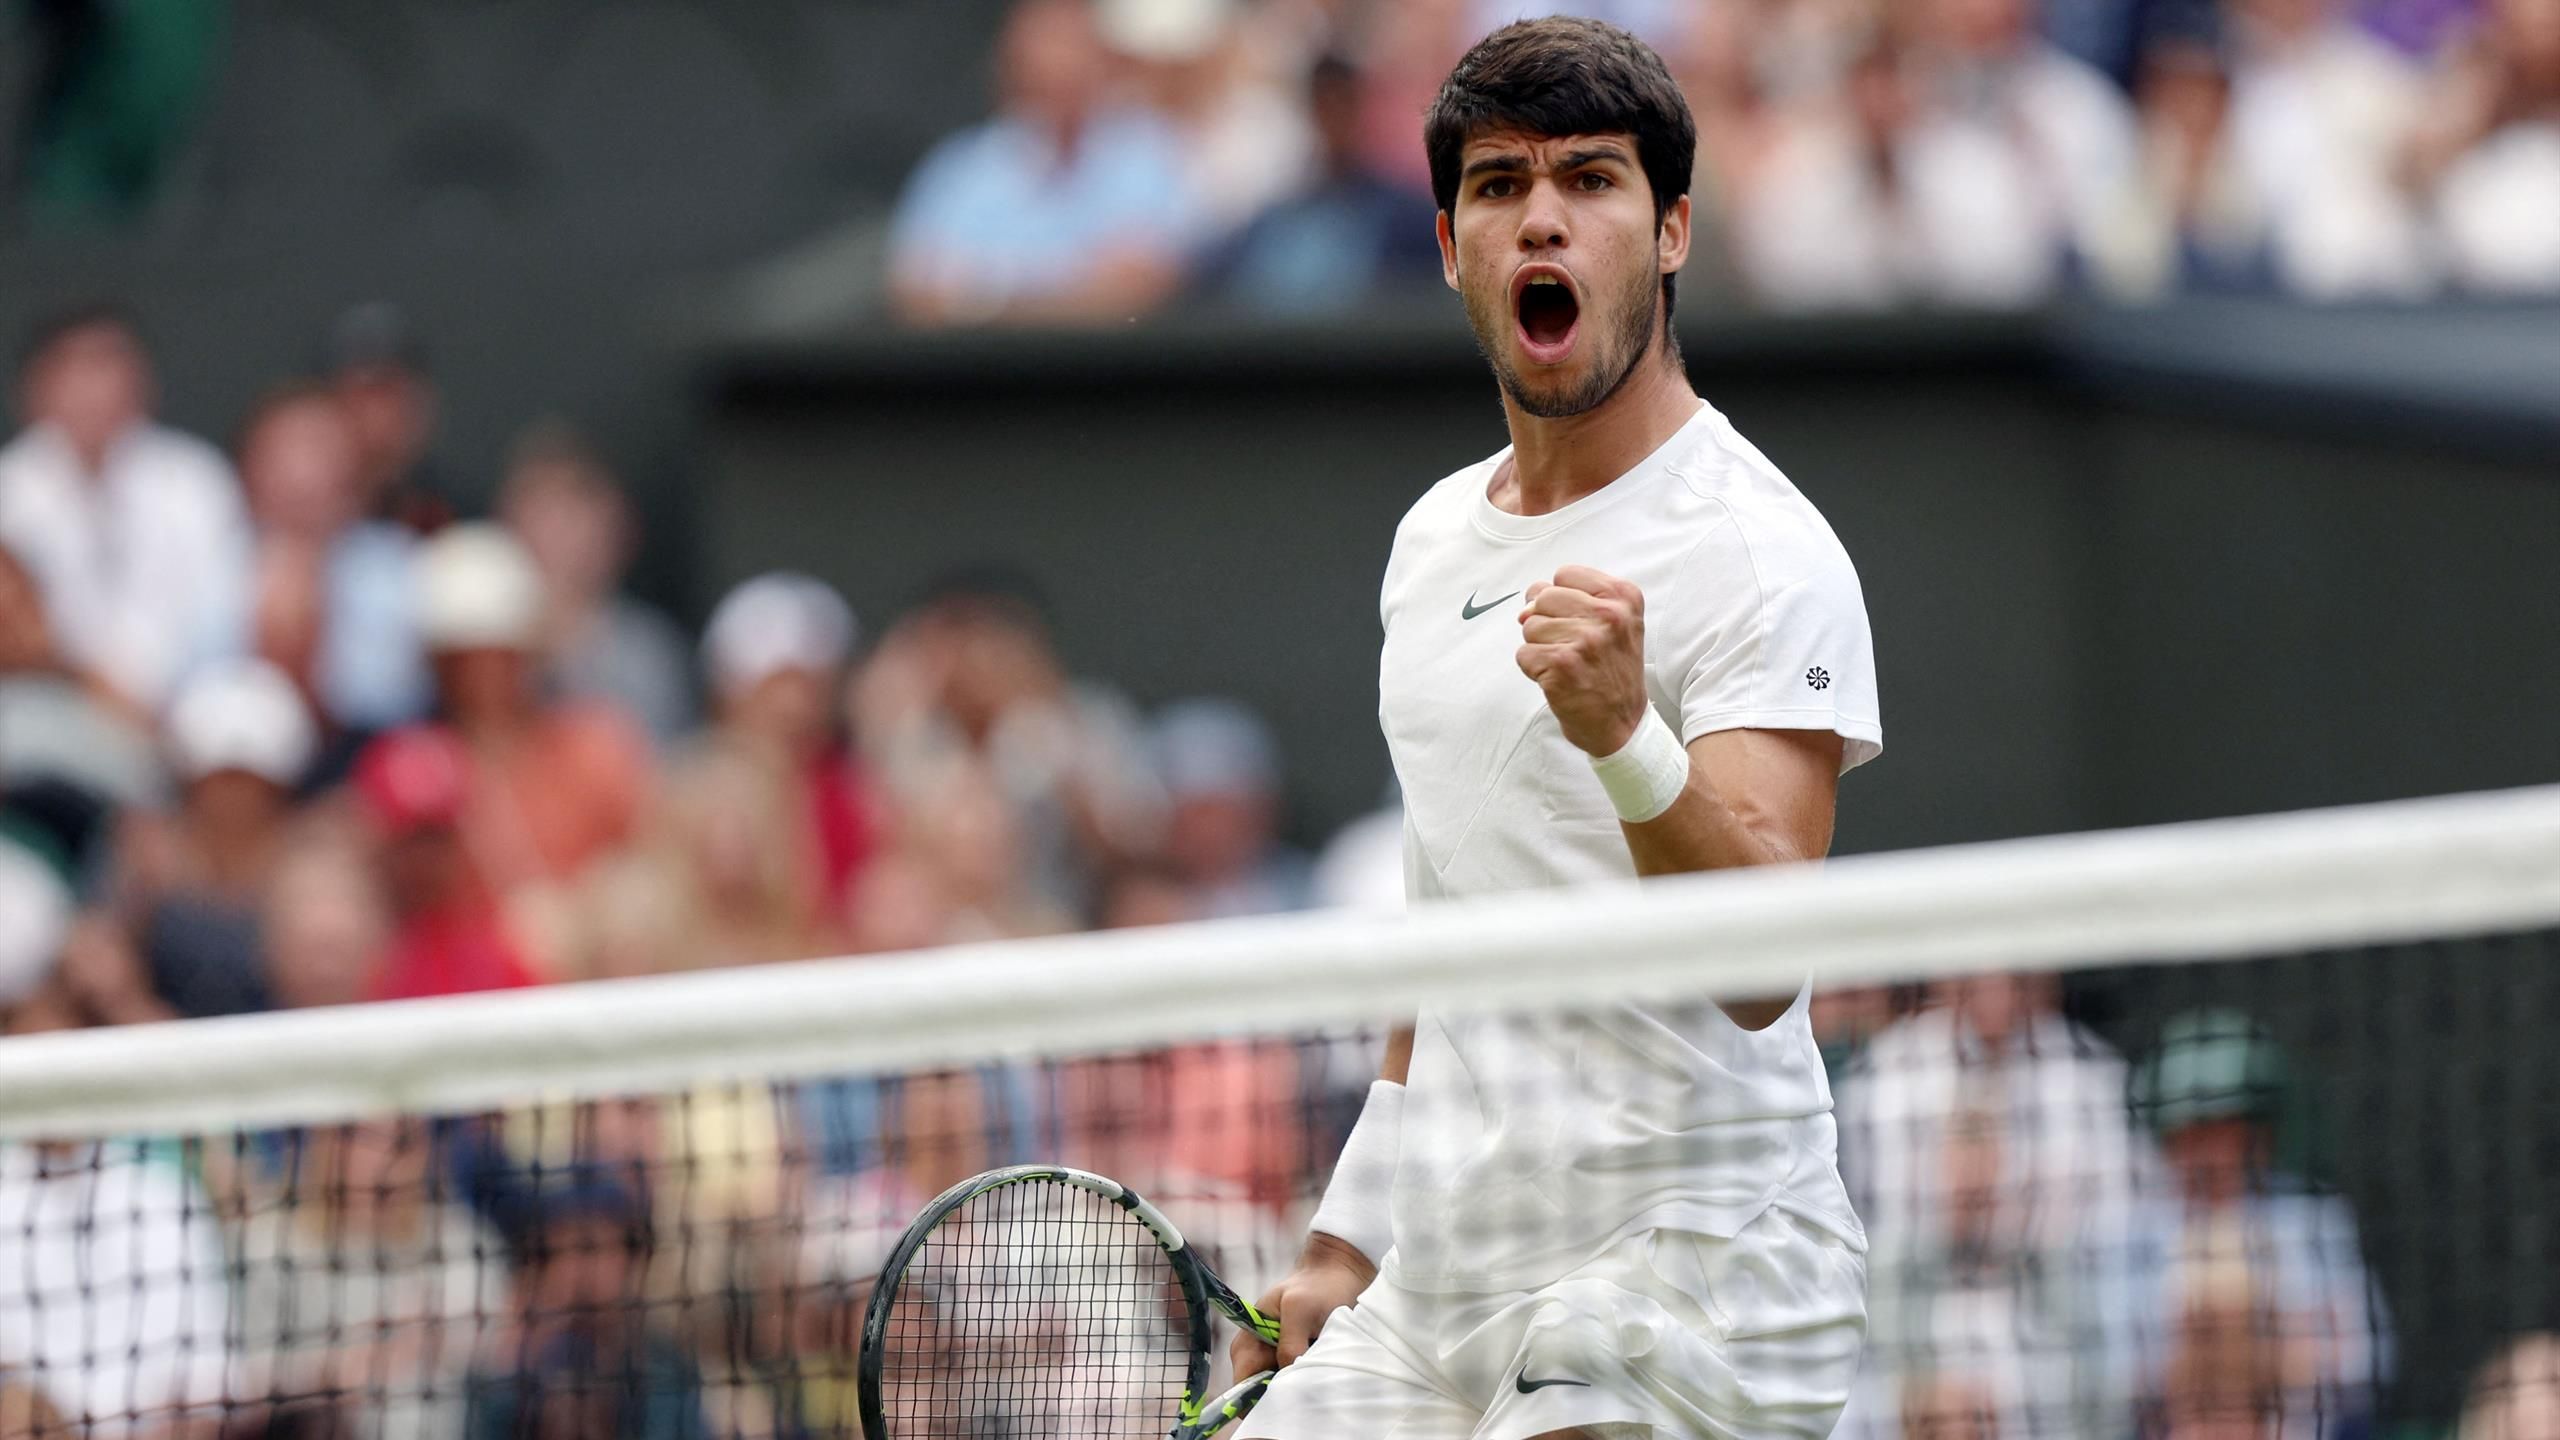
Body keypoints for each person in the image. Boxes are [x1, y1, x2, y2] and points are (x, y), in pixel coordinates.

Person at [1235, 19, 1881, 1440]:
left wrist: (1625, 733)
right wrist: (1349, 1236)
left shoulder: (1766, 553)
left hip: (1703, 1262)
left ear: (1670, 233)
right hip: (1452, 1281)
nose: (1543, 214)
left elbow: (1764, 963)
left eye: (1592, 180)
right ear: (1456, 244)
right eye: (1498, 183)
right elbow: (1446, 916)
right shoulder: (1427, 546)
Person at [886, 0, 1205, 325]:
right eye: (1046, 47)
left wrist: (987, 296)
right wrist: (1070, 289)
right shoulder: (961, 168)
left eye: (1072, 45)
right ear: (1012, 63)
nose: (1059, 64)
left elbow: (1139, 286)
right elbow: (918, 293)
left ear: (1102, 58)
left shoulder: (1147, 153)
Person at [0, 305, 251, 713]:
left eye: (107, 364)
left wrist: (151, 695)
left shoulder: (196, 477)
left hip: (187, 700)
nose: (93, 386)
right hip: (49, 699)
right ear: (33, 388)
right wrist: (91, 685)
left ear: (143, 380)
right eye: (73, 368)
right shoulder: (7, 489)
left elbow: (223, 617)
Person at [235, 381, 430, 740]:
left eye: (321, 452)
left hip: (358, 764)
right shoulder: (208, 563)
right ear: (249, 470)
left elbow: (396, 699)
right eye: (286, 453)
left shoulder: (400, 568)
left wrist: (315, 611)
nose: (304, 476)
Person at [497, 421, 694, 748]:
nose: (555, 528)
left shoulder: (649, 654)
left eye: (573, 505)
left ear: (616, 526)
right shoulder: (475, 649)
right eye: (538, 504)